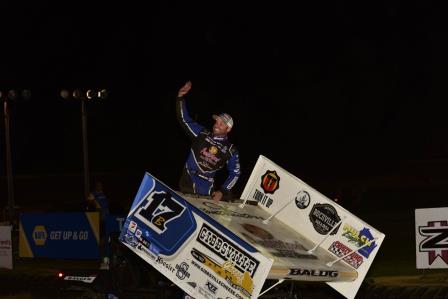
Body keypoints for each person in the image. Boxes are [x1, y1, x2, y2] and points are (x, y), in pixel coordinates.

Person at [176, 81, 241, 201]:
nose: (217, 125)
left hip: (205, 190)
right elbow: (184, 119)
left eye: (221, 124)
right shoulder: (201, 133)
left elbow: (235, 173)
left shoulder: (231, 150)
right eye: (216, 121)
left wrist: (222, 191)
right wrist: (180, 97)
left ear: (228, 128)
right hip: (187, 182)